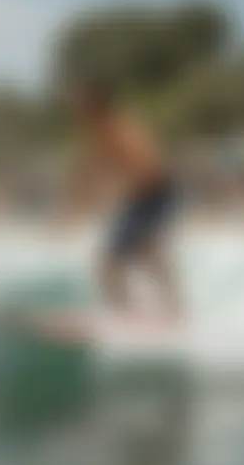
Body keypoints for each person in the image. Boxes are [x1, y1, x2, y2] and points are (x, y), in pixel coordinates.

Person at [66, 78, 182, 320]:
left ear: (96, 104)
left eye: (80, 103)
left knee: (117, 261)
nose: (75, 109)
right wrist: (69, 210)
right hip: (143, 196)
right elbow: (85, 172)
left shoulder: (122, 128)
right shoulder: (98, 132)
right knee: (138, 256)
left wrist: (119, 190)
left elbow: (152, 167)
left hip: (155, 194)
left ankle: (144, 314)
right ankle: (145, 313)